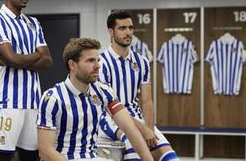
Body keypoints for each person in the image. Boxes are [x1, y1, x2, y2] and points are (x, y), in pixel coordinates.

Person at [37, 38, 153, 161]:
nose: (98, 66)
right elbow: (45, 152)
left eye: (98, 60)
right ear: (72, 65)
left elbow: (131, 129)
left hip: (92, 157)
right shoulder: (52, 98)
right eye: (90, 61)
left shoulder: (104, 92)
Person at [0, 0, 52, 161]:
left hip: (32, 102)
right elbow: (12, 58)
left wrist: (17, 59)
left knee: (31, 156)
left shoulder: (33, 23)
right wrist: (34, 56)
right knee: (3, 156)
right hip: (9, 101)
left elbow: (47, 61)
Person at [98, 11, 180, 161]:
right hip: (110, 117)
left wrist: (149, 129)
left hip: (136, 115)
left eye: (130, 28)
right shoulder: (100, 63)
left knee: (170, 157)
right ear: (111, 32)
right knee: (134, 145)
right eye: (122, 28)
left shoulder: (141, 61)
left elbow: (147, 101)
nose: (128, 32)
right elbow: (110, 107)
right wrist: (142, 130)